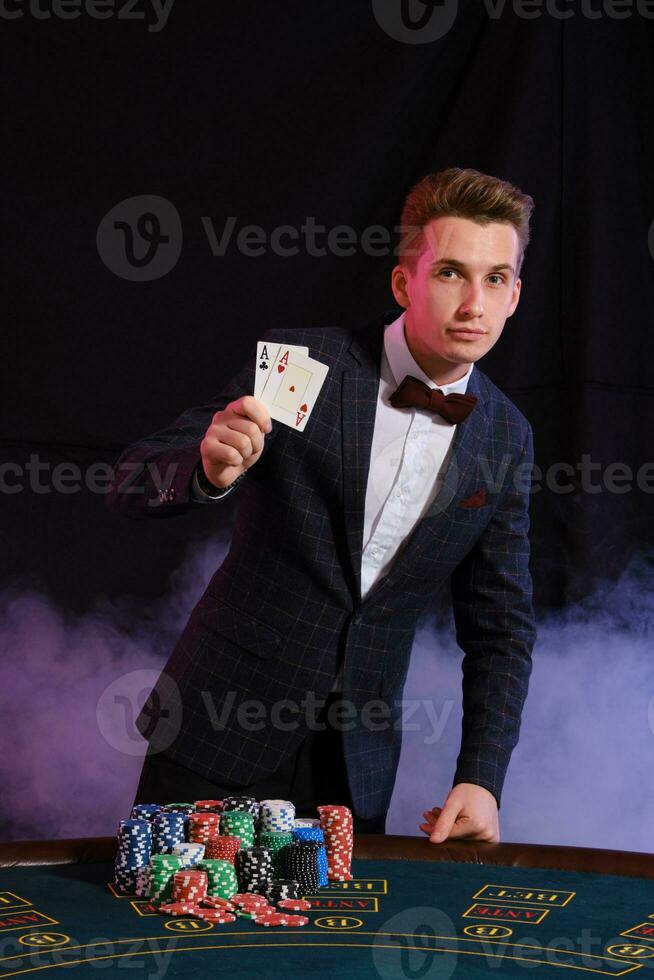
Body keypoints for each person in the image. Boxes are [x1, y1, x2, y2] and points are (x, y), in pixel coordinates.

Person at [107, 167, 537, 842]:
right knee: (180, 936)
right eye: (451, 272)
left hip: (353, 770)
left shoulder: (507, 435)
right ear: (404, 284)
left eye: (495, 279)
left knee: (322, 952)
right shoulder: (305, 367)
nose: (473, 303)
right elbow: (130, 480)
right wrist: (205, 468)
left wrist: (482, 777)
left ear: (514, 295)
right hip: (216, 730)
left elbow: (502, 629)